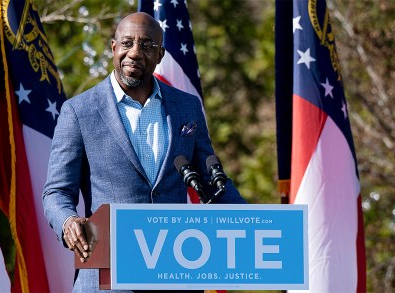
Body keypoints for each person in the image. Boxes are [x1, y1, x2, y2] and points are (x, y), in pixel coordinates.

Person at [42, 12, 245, 293]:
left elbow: (213, 180)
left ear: (160, 54)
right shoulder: (79, 111)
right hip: (107, 276)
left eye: (147, 45)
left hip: (174, 277)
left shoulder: (186, 107)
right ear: (113, 48)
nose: (135, 53)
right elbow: (56, 192)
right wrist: (67, 221)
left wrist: (253, 222)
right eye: (127, 43)